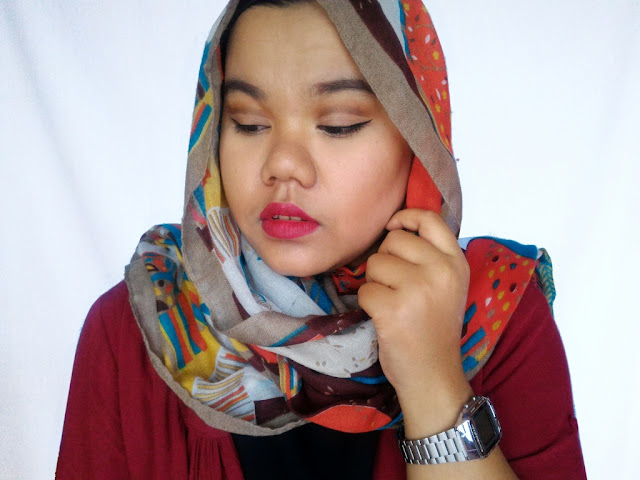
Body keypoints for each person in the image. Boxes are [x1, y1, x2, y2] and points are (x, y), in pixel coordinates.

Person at [56, 0, 586, 478]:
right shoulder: (143, 324)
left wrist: (434, 382)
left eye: (338, 124)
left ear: (418, 140)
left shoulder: (497, 315)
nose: (283, 164)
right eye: (248, 123)